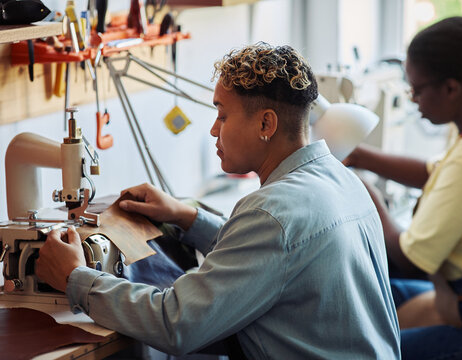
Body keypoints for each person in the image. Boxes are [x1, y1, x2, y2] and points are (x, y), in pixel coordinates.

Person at [36, 42, 400, 359]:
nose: (214, 128)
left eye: (222, 114)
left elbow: (176, 324)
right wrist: (188, 217)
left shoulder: (271, 213)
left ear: (265, 125)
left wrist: (75, 277)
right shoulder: (343, 181)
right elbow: (275, 259)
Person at [343, 16, 462, 359]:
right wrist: (358, 155)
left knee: (367, 351)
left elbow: (412, 261)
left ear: (451, 88)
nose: (413, 99)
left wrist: (367, 194)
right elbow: (432, 173)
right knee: (377, 294)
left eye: (417, 90)